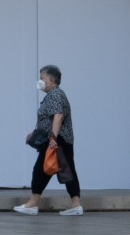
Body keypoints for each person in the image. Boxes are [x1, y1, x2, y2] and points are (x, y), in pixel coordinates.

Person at [13, 65, 83, 216]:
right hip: (61, 140)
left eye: (42, 78)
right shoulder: (55, 94)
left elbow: (58, 116)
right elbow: (49, 119)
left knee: (41, 170)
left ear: (52, 80)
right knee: (67, 171)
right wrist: (34, 133)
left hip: (56, 141)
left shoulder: (55, 95)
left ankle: (33, 204)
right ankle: (75, 204)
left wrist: (52, 138)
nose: (40, 81)